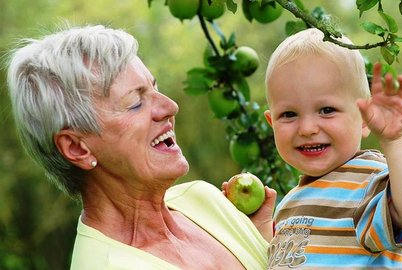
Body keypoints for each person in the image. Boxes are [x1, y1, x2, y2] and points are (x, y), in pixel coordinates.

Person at [6, 24, 276, 270]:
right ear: (77, 148)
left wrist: (268, 244)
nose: (170, 107)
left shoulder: (204, 200)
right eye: (136, 102)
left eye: (155, 88)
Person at [263, 28, 402, 269]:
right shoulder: (291, 203)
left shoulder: (366, 182)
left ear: (364, 118)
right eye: (289, 114)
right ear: (272, 123)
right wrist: (261, 224)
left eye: (326, 110)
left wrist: (396, 140)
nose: (307, 128)